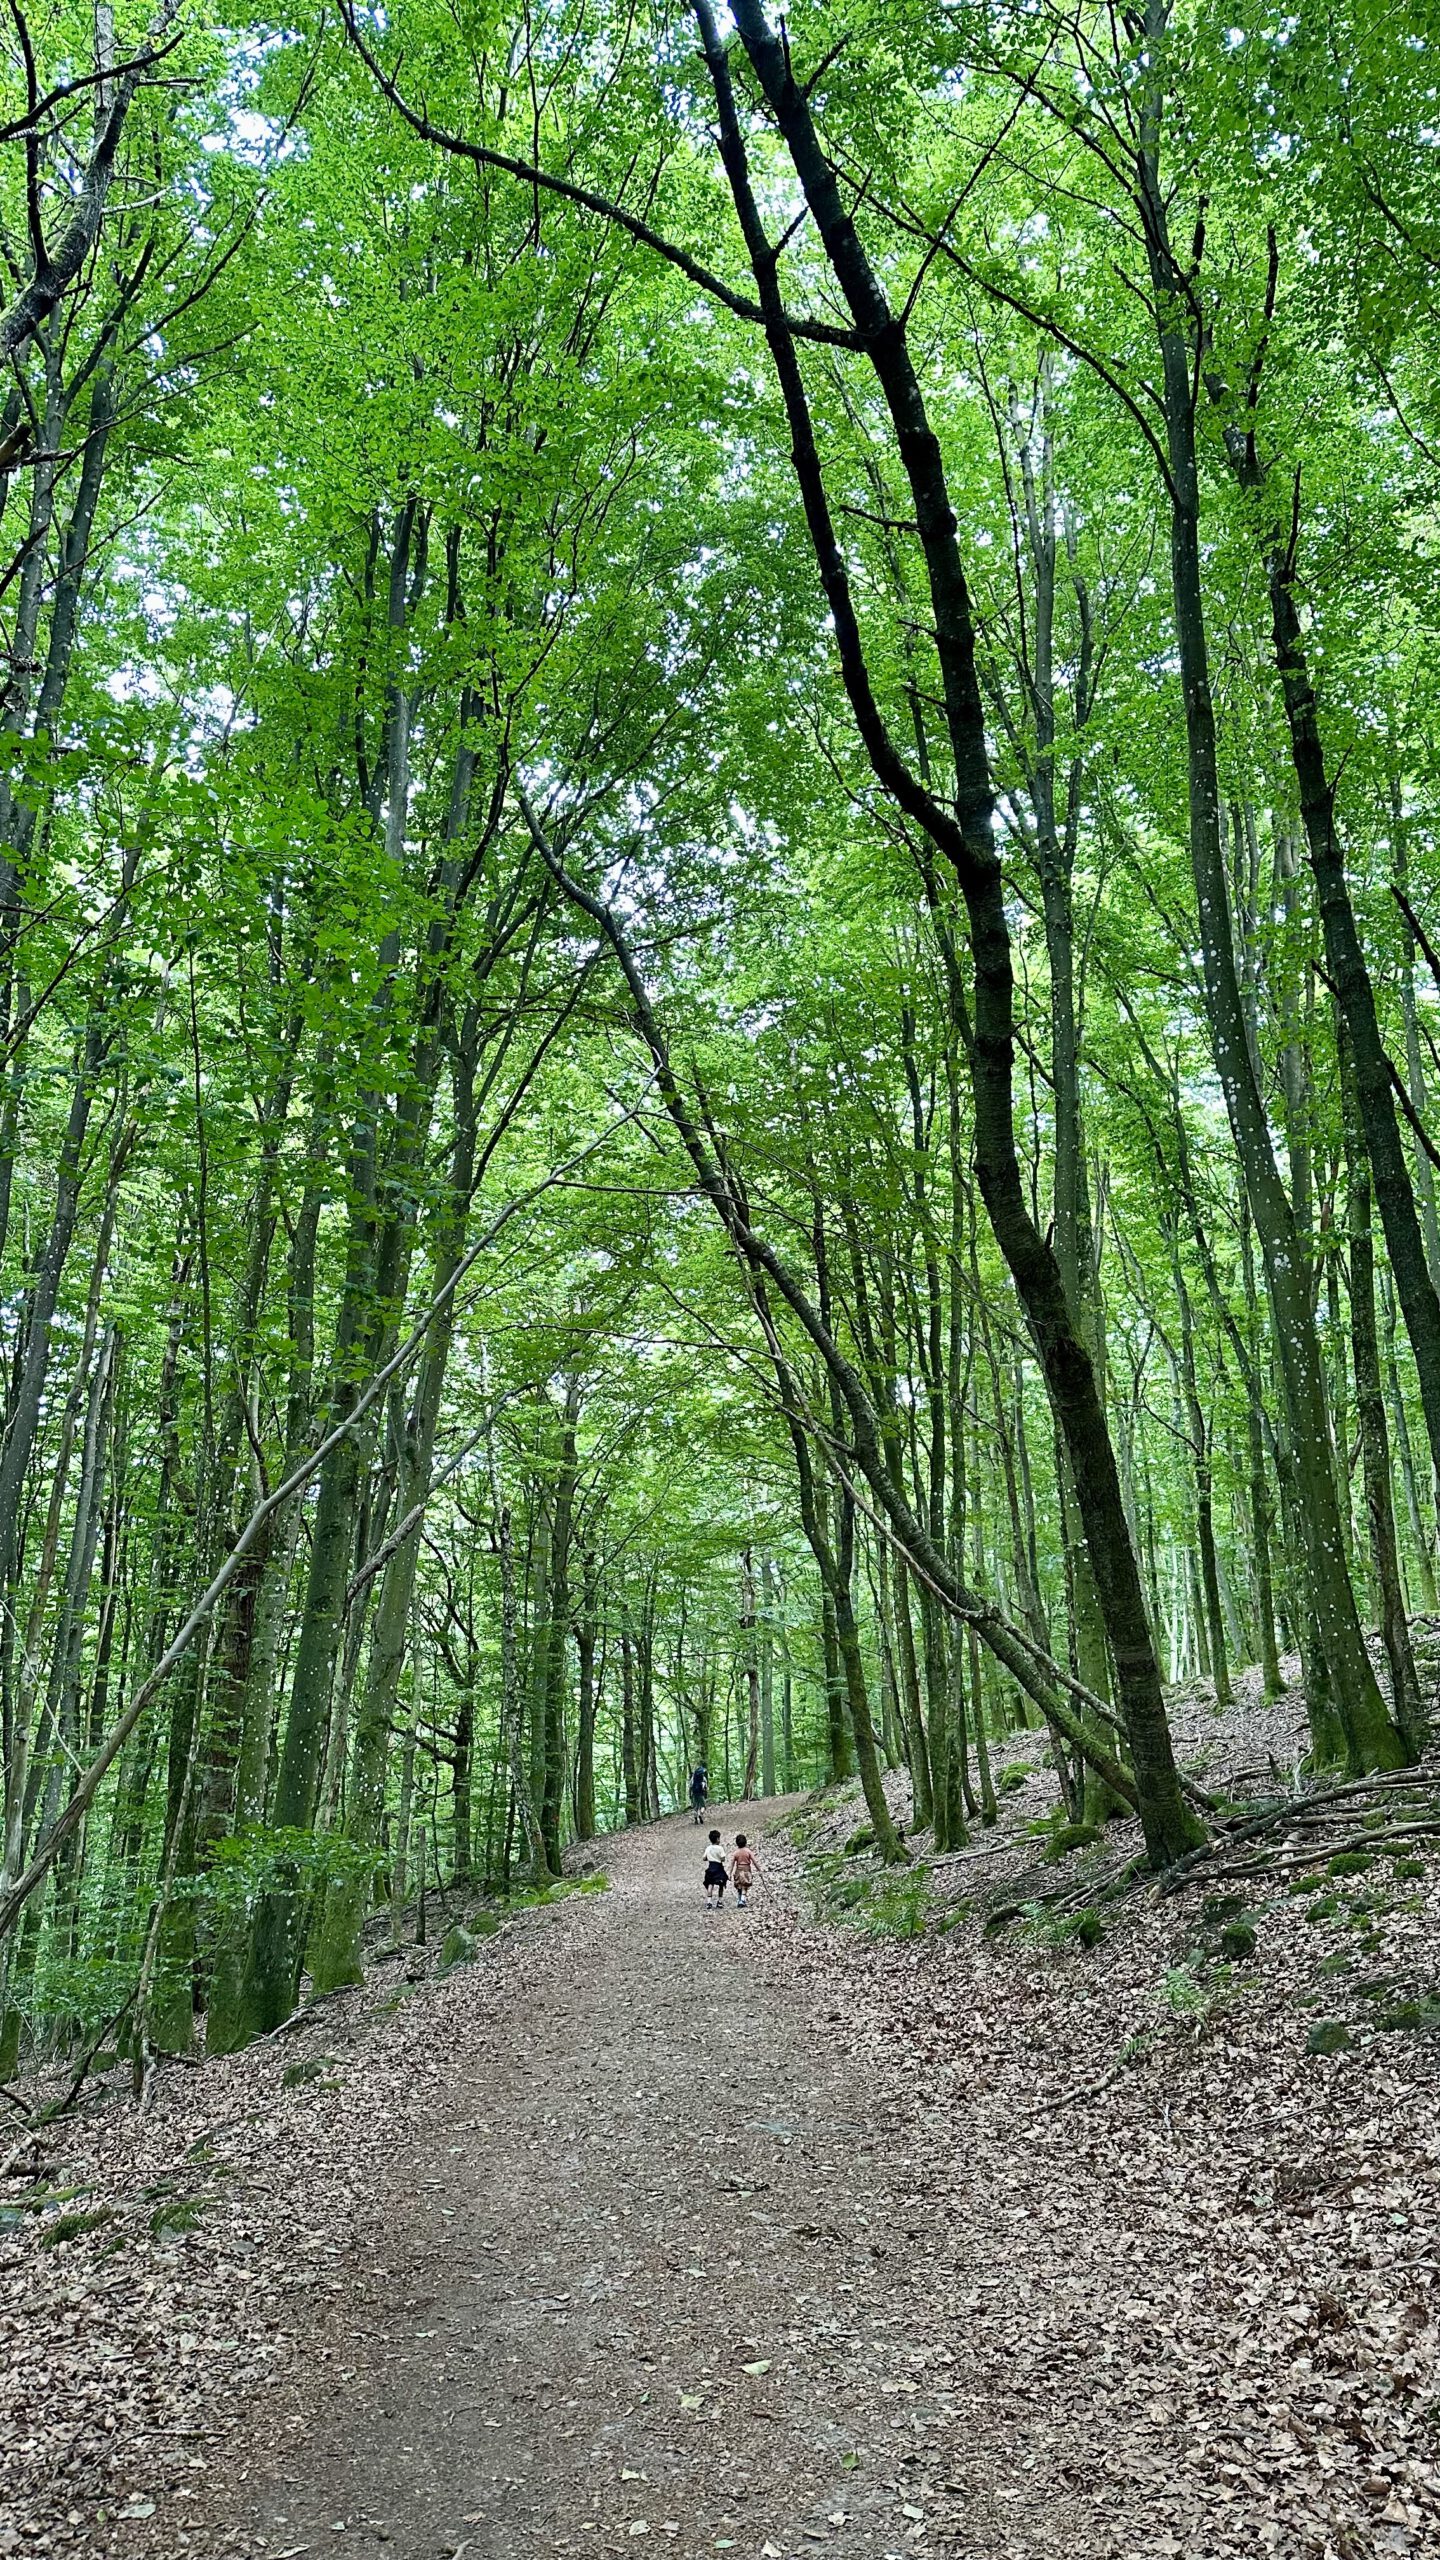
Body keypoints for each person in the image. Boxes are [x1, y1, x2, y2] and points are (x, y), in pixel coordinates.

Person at [730, 1834, 763, 1909]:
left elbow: (732, 1864)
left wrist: (730, 1873)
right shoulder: (748, 1851)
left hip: (738, 1870)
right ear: (745, 1842)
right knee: (745, 1886)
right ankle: (742, 1900)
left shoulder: (736, 1853)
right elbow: (754, 1862)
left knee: (739, 1885)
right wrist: (759, 1870)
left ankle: (739, 1899)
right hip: (746, 1870)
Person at [702, 1827, 728, 1908]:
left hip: (711, 1868)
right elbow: (723, 1858)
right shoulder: (720, 1848)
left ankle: (709, 1902)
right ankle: (719, 1901)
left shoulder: (708, 1848)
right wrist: (719, 1858)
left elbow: (704, 1858)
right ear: (717, 1839)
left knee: (710, 1884)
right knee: (721, 1884)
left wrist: (709, 1858)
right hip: (719, 1868)